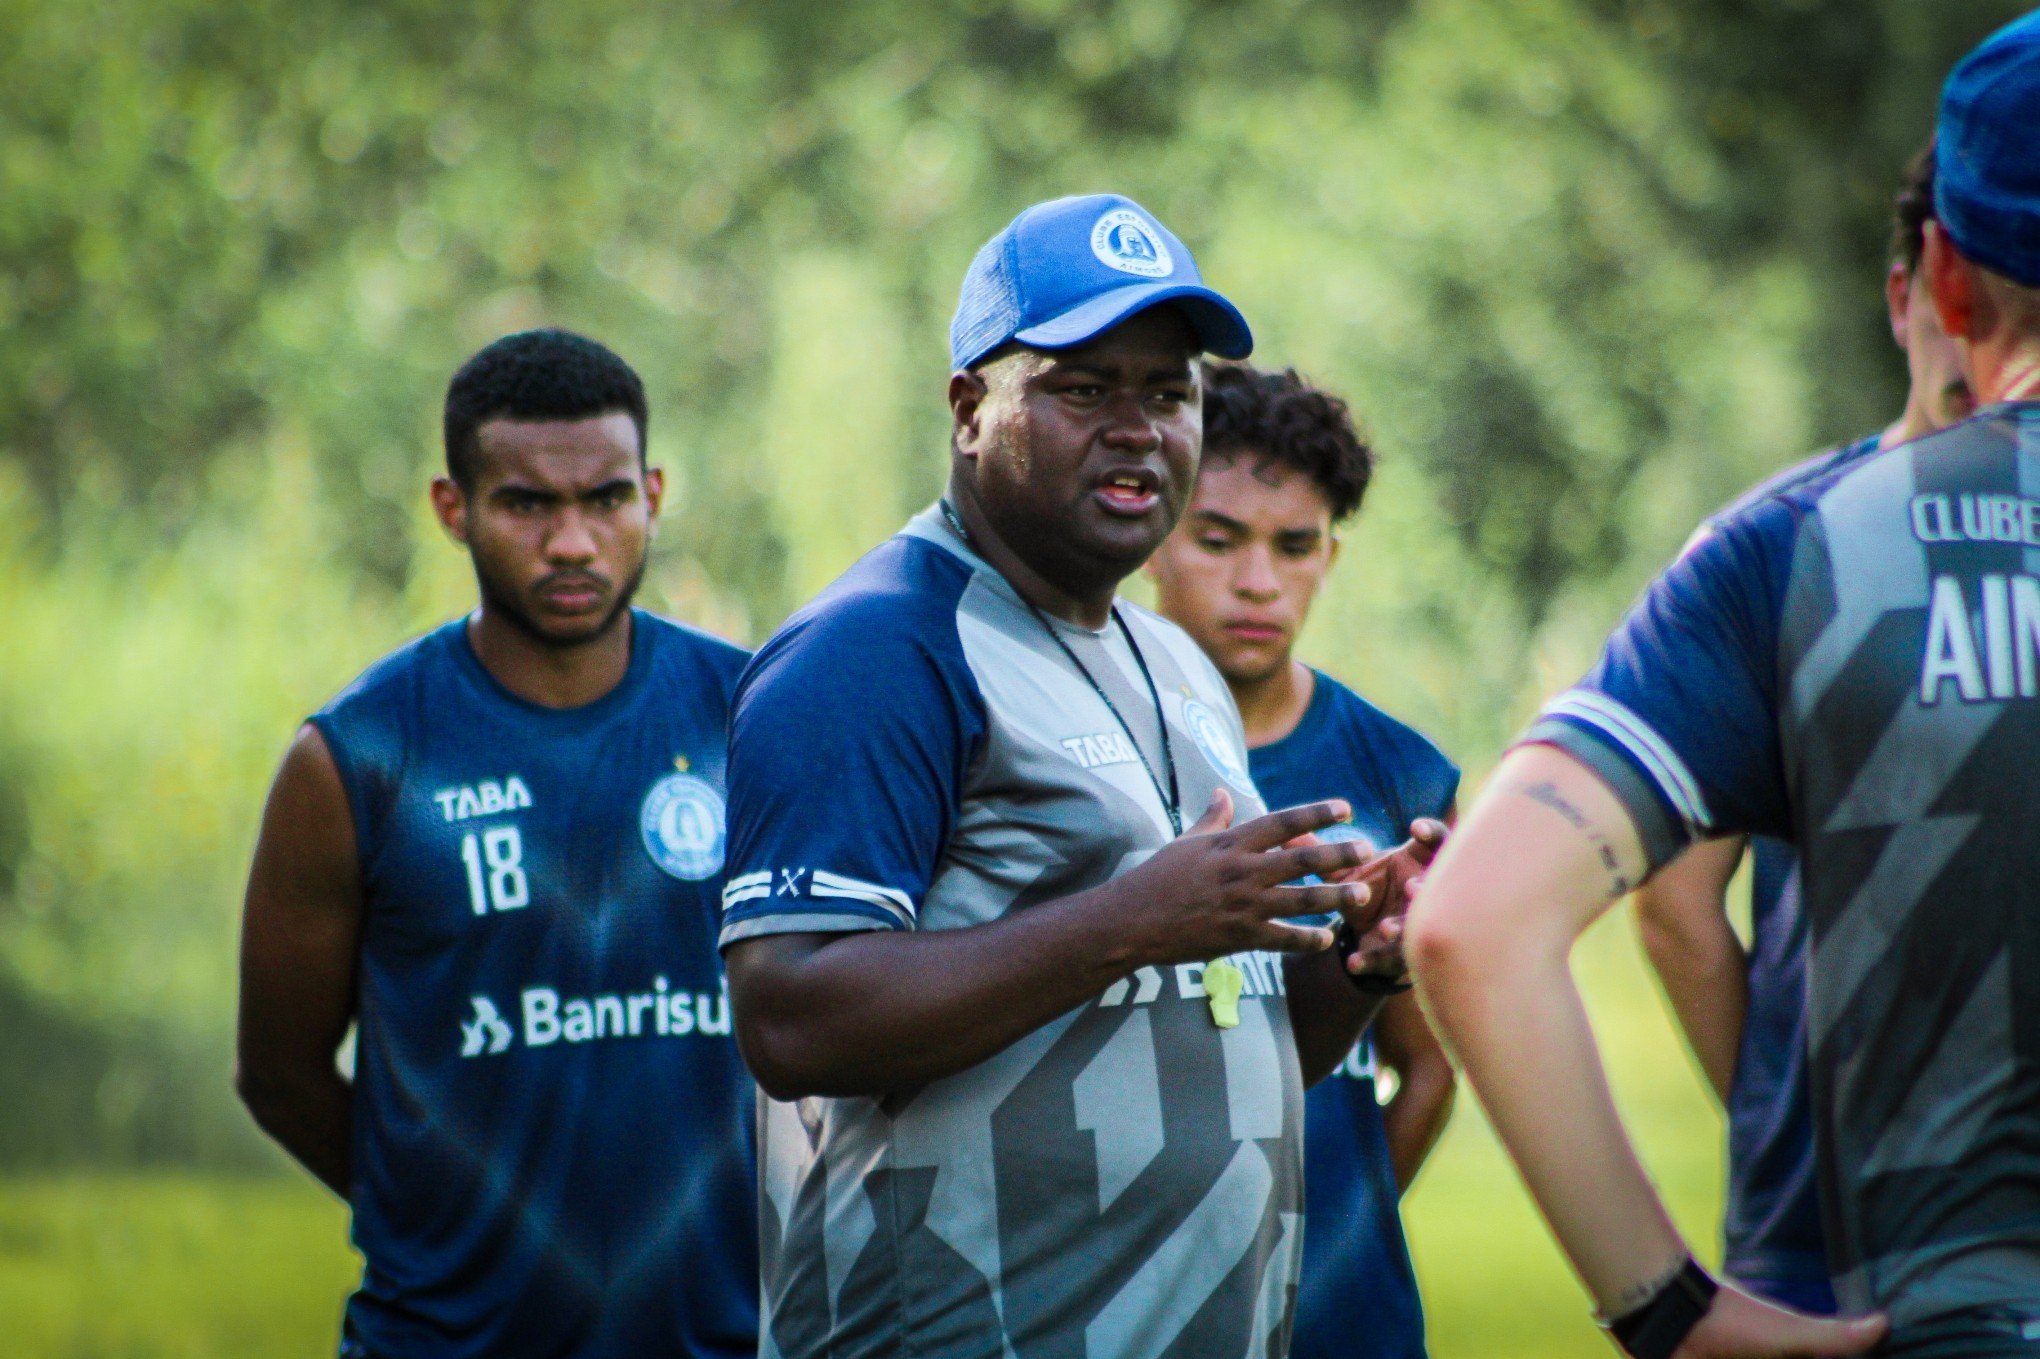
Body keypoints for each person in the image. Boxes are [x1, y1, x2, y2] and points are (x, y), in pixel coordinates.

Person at [1410, 14, 2040, 1358]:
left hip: (1883, 1288)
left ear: (1948, 274)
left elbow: (1475, 921)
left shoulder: (1803, 549)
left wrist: (1673, 1314)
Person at [720, 194, 1443, 1359]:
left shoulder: (1176, 662)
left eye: (1168, 393)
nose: (1138, 428)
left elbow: (1234, 1043)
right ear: (971, 409)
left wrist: (1356, 958)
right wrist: (1130, 918)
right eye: (1082, 388)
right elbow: (792, 1016)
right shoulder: (874, 649)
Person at [235, 330, 757, 1359]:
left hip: (729, 1339)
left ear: (652, 494)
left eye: (605, 499)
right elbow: (279, 1072)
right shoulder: (362, 757)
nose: (572, 543)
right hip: (443, 1341)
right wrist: (436, 1210)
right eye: (527, 504)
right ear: (453, 506)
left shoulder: (752, 713)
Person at [1632, 141, 1973, 1318]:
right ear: (1907, 296)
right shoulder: (1774, 551)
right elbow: (1673, 905)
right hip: (1825, 1244)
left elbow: (1675, 907)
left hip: (1818, 1226)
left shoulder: (1781, 542)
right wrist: (1790, 1124)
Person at [1147, 361, 1458, 1359]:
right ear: (1155, 536)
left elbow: (1427, 1066)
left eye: (1295, 546)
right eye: (1218, 538)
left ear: (1331, 554)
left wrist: (1325, 1236)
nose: (1257, 582)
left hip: (1339, 1323)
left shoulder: (1403, 772)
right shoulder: (1074, 745)